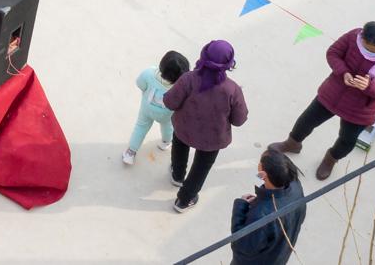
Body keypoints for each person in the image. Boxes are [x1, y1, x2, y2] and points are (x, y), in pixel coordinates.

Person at [270, 19, 375, 180]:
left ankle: (330, 159)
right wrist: (344, 72)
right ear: (362, 37)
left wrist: (369, 86)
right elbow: (333, 53)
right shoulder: (353, 37)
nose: (371, 53)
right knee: (306, 120)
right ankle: (292, 144)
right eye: (367, 48)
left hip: (360, 109)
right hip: (333, 92)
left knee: (347, 140)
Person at [160, 39, 247, 213]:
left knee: (179, 149)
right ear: (229, 65)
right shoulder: (232, 90)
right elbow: (239, 120)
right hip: (212, 139)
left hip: (183, 129)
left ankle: (177, 175)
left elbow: (169, 102)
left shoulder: (188, 79)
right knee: (201, 168)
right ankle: (183, 200)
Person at [229, 149, 307, 265]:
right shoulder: (296, 187)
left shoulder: (261, 215)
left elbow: (242, 246)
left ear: (263, 175)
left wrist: (240, 207)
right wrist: (261, 200)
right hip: (279, 255)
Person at [124, 50, 189, 166]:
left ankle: (130, 153)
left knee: (140, 127)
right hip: (166, 114)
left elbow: (140, 84)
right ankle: (165, 142)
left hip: (147, 109)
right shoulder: (180, 86)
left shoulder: (149, 74)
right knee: (167, 126)